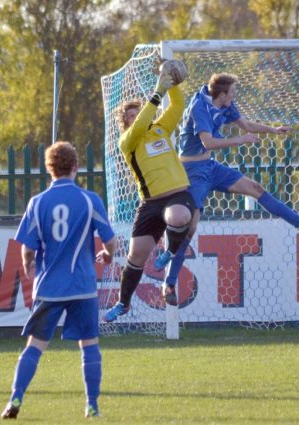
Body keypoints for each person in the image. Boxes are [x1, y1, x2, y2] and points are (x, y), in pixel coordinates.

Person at [157, 72, 299, 305]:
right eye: (232, 93)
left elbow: (245, 124)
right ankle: (170, 283)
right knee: (189, 229)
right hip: (192, 173)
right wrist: (241, 140)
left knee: (255, 188)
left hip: (211, 167)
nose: (234, 96)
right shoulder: (199, 107)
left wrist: (272, 130)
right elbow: (209, 143)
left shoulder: (224, 102)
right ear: (222, 94)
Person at [1, 141, 116, 419]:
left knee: (35, 346)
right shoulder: (90, 200)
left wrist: (29, 264)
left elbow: (27, 248)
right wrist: (107, 254)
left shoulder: (37, 202)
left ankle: (16, 398)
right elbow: (110, 240)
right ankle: (92, 405)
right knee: (89, 345)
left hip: (49, 287)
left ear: (48, 168)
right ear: (76, 166)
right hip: (83, 286)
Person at [104, 64, 197, 321]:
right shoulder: (128, 141)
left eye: (140, 112)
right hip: (150, 203)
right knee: (136, 256)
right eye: (133, 115)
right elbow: (145, 119)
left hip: (177, 194)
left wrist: (173, 83)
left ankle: (170, 251)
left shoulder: (159, 129)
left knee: (179, 217)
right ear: (126, 123)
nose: (140, 116)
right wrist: (157, 91)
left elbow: (176, 107)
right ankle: (123, 303)